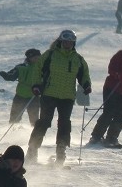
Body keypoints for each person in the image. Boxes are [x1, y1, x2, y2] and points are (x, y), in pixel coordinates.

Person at [27, 30, 91, 164]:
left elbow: (84, 74)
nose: (68, 44)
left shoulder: (77, 59)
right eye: (65, 41)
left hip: (67, 96)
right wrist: (36, 85)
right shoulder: (50, 55)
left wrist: (86, 84)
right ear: (61, 41)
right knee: (44, 121)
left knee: (64, 124)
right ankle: (33, 150)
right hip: (49, 94)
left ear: (73, 43)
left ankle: (61, 150)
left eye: (70, 42)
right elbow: (37, 69)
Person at [88, 36, 122, 147]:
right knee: (109, 112)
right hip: (112, 88)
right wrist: (119, 75)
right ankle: (96, 136)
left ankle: (112, 137)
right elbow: (111, 69)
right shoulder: (119, 56)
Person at [0, 48, 42, 126]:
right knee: (14, 119)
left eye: (38, 57)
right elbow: (10, 76)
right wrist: (5, 75)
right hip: (20, 96)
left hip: (34, 97)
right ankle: (13, 133)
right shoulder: (21, 67)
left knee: (34, 120)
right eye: (34, 57)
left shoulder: (42, 68)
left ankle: (35, 136)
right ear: (29, 58)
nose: (36, 59)